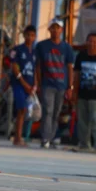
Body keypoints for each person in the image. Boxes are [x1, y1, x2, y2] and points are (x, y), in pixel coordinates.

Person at [35, 18, 75, 149]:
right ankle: (45, 138)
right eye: (53, 27)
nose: (55, 30)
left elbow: (70, 67)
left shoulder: (67, 48)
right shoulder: (42, 46)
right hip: (47, 84)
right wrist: (39, 84)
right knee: (48, 111)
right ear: (49, 29)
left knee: (56, 113)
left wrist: (70, 86)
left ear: (61, 30)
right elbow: (38, 67)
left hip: (61, 85)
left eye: (57, 28)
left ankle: (51, 137)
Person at [9, 25, 37, 146]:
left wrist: (35, 84)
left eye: (32, 35)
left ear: (35, 37)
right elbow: (14, 67)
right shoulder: (18, 49)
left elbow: (37, 69)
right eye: (27, 35)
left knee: (27, 111)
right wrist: (23, 82)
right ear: (24, 35)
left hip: (30, 86)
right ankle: (17, 137)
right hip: (19, 84)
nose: (29, 38)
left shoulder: (35, 52)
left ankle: (23, 136)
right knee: (21, 109)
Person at [73, 32, 96, 151]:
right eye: (90, 41)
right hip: (82, 94)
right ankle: (84, 144)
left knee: (94, 120)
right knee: (82, 121)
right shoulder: (81, 56)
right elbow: (76, 75)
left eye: (94, 42)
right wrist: (74, 93)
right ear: (86, 42)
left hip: (95, 97)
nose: (92, 44)